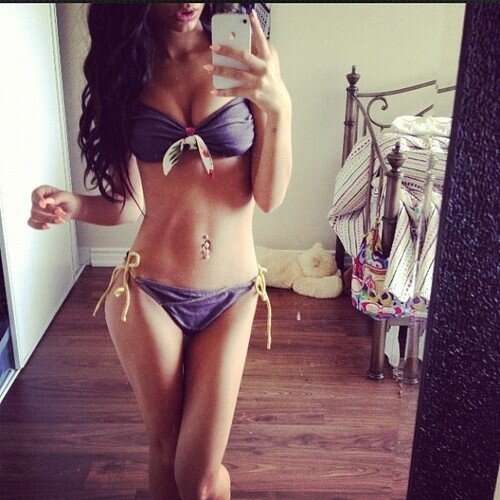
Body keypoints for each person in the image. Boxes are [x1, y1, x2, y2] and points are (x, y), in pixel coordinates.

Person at [28, 3, 292, 499]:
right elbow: (126, 205)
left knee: (199, 478)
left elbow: (269, 197)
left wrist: (279, 107)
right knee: (166, 451)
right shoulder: (128, 70)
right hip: (147, 293)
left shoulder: (242, 55)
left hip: (231, 296)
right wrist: (72, 205)